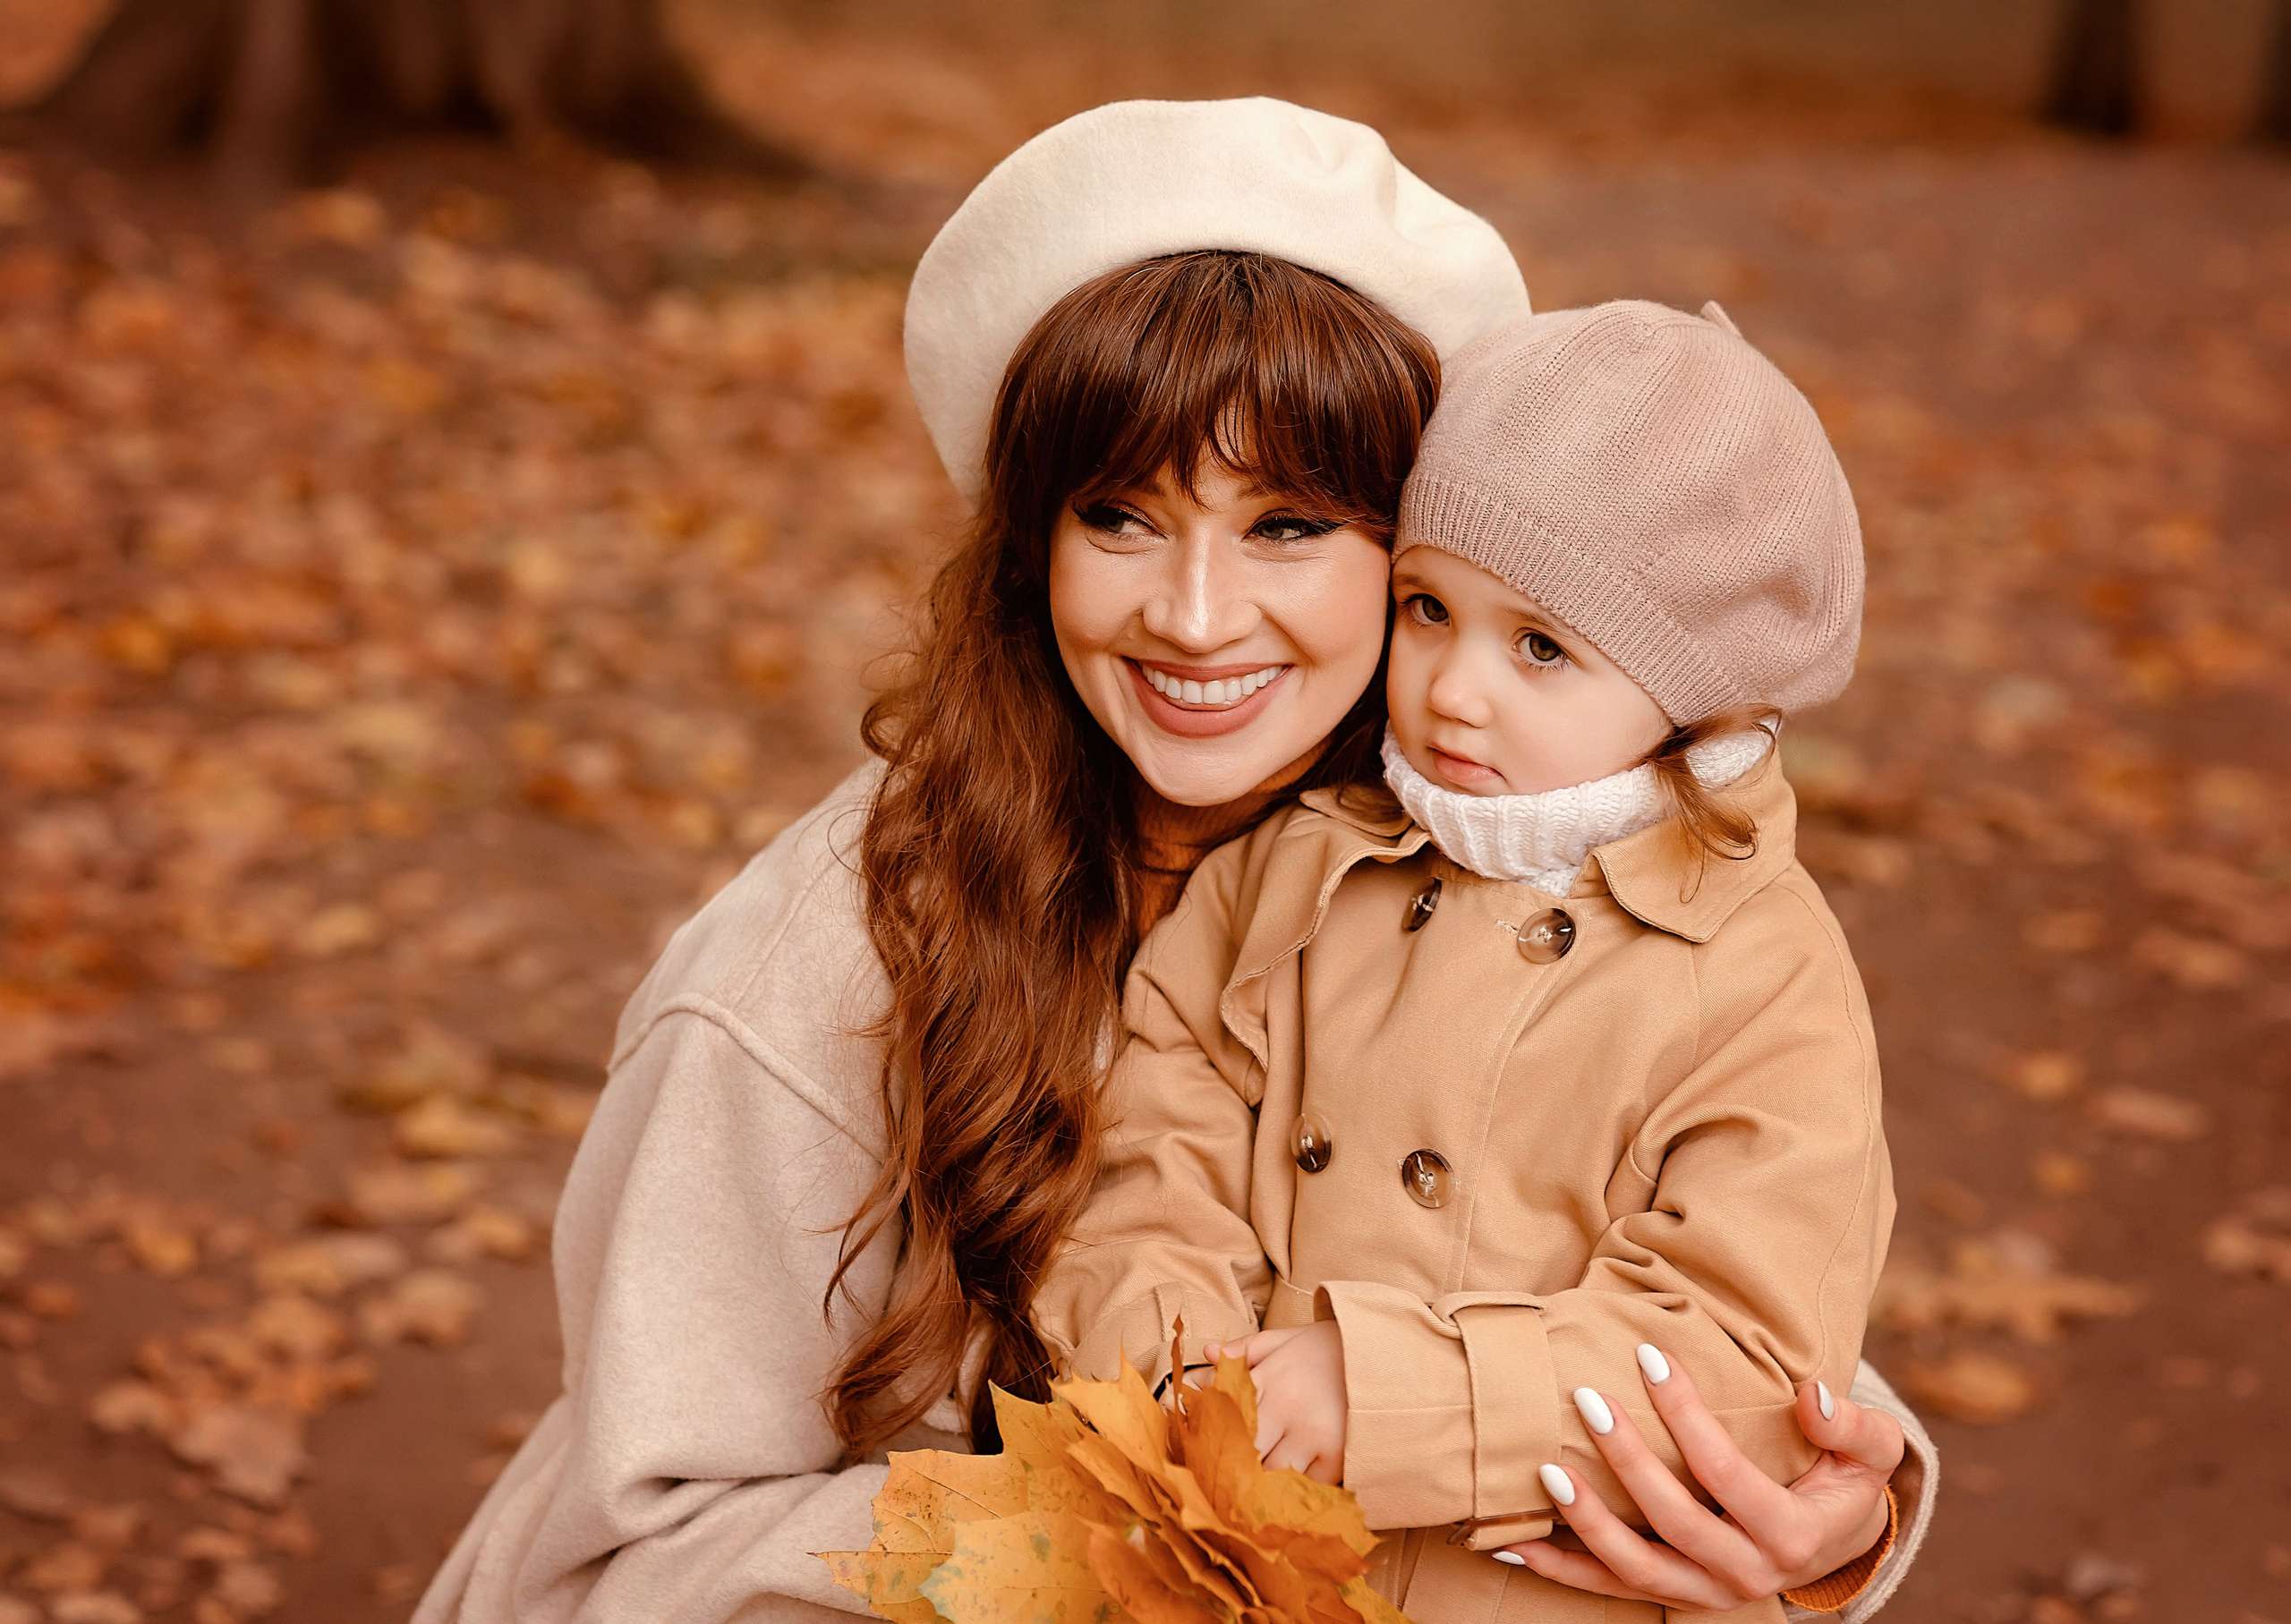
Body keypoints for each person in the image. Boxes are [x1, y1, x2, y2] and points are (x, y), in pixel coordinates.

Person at [413, 100, 1931, 1624]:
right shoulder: (817, 975)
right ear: (1029, 541)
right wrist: (1117, 1547)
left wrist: (1824, 1514)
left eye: (1288, 526)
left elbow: (1722, 1284)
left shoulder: (1499, 856)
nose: (1196, 620)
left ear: (1421, 559)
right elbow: (614, 1564)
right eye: (1121, 517)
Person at [1035, 299, 1898, 1624]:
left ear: (1699, 692)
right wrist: (1174, 1373)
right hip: (1230, 1564)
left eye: (1542, 646)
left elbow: (1742, 1340)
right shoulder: (1305, 863)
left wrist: (1376, 1399)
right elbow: (1158, 1124)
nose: (1451, 689)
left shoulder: (1757, 969)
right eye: (1429, 608)